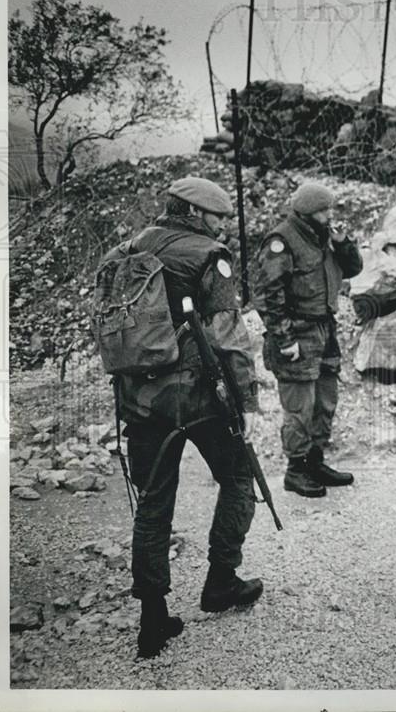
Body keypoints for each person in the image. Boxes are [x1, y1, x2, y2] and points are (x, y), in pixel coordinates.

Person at [108, 176, 263, 659]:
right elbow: (228, 334)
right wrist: (249, 400)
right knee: (238, 479)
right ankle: (220, 583)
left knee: (153, 505)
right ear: (197, 214)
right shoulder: (208, 255)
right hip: (199, 399)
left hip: (139, 399)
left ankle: (152, 620)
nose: (222, 227)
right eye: (218, 218)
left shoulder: (126, 249)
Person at [254, 181, 363, 498]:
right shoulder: (281, 241)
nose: (331, 215)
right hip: (297, 334)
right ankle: (296, 471)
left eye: (331, 209)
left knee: (325, 401)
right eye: (324, 210)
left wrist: (343, 243)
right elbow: (268, 296)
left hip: (325, 331)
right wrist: (285, 338)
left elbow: (353, 268)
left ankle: (315, 462)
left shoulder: (324, 237)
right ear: (308, 212)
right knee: (299, 407)